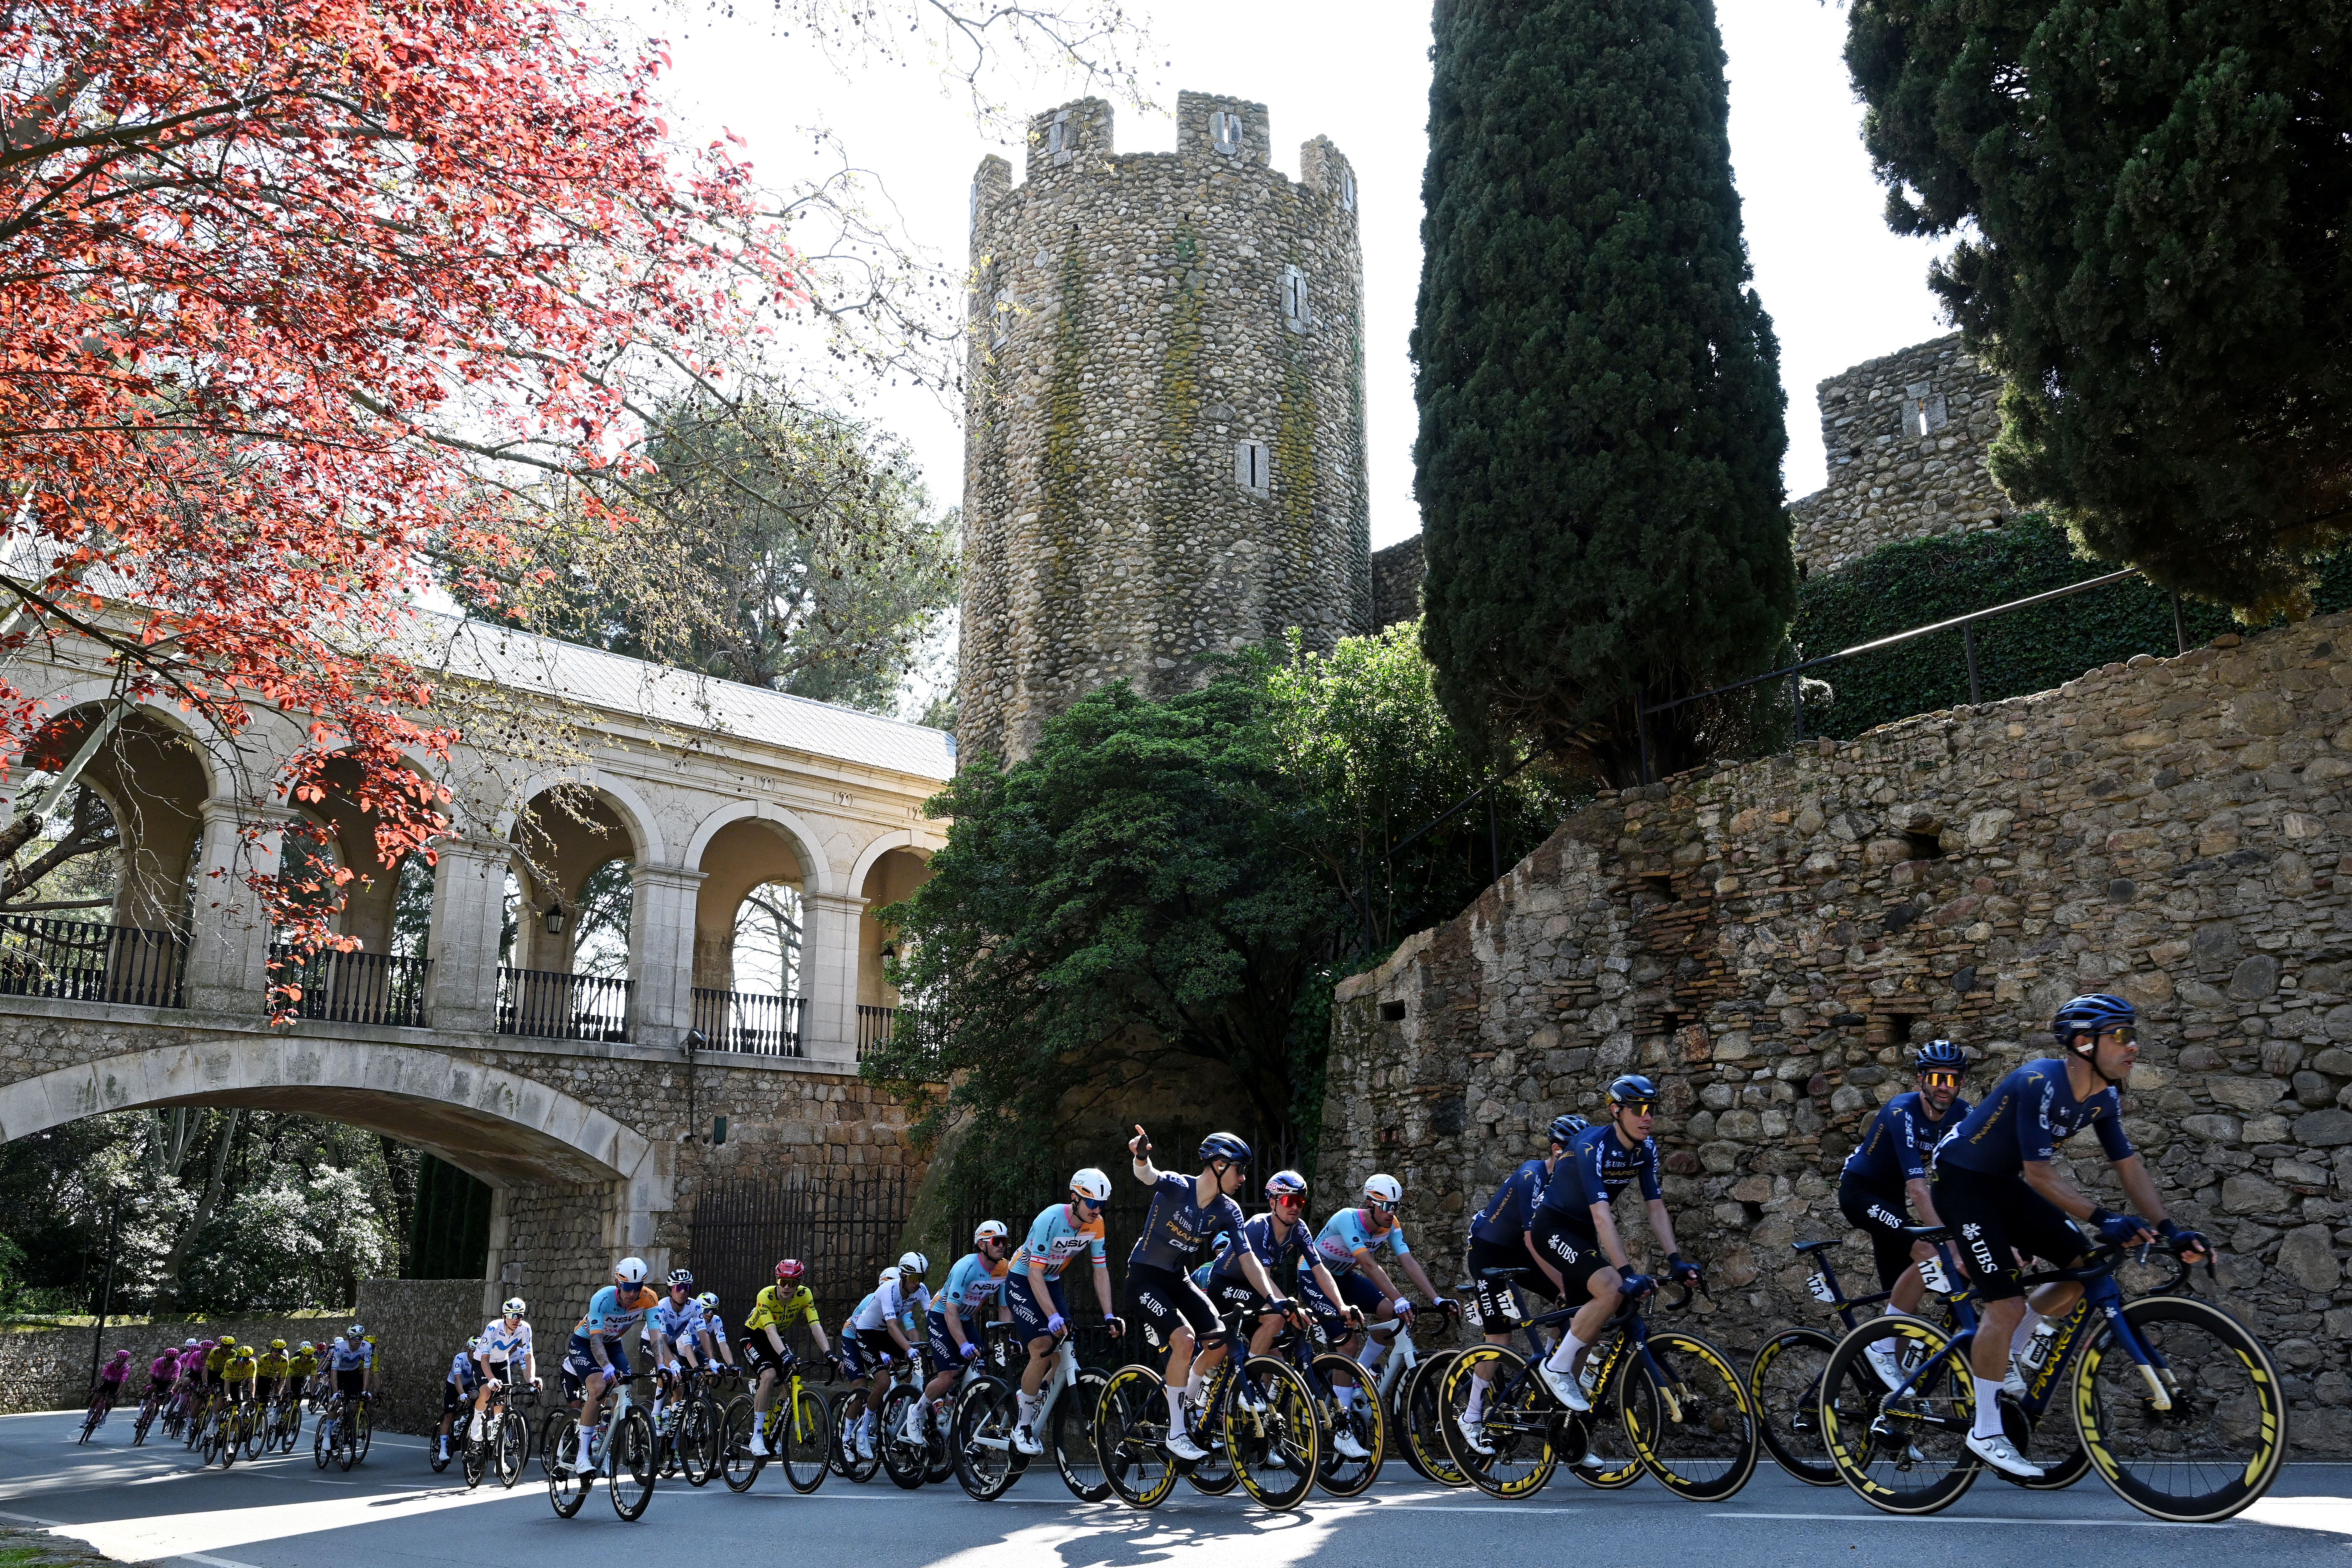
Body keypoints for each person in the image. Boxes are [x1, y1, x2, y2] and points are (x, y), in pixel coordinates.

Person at [1929, 993, 2210, 1478]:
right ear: (2084, 1043)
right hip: (1962, 1182)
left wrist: (2169, 1228)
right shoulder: (2038, 1080)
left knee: (2085, 1269)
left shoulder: (2104, 1096)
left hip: (2004, 1184)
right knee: (2005, 1302)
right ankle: (1987, 1428)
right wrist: (2105, 1216)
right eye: (2120, 1036)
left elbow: (2128, 1165)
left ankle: (2009, 1353)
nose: (2133, 1046)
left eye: (2132, 1034)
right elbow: (2040, 1174)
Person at [1529, 1075, 1703, 1412]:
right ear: (1615, 1111)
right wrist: (1625, 1271)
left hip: (1583, 1235)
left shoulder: (1646, 1150)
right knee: (1612, 1287)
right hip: (1553, 1228)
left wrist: (1676, 1260)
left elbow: (1655, 1208)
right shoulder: (1591, 1146)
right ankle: (1554, 1368)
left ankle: (1566, 1425)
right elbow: (1601, 1215)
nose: (1647, 1117)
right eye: (1638, 1109)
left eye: (1651, 1109)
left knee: (1588, 1331)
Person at [1126, 1126, 1289, 1463]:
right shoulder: (1178, 1187)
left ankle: (1188, 1400)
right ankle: (1175, 1432)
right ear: (1217, 1165)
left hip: (1177, 1279)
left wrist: (1274, 1299)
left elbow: (1248, 1259)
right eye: (1239, 1169)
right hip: (1144, 1278)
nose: (1244, 1177)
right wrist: (1141, 1155)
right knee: (1185, 1340)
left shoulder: (1229, 1210)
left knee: (1223, 1340)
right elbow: (1147, 1175)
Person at [1192, 1168, 1365, 1453]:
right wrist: (1286, 1306)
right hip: (1227, 1285)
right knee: (1274, 1318)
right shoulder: (1259, 1226)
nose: (1295, 1207)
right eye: (1288, 1202)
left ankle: (1263, 1426)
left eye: (1300, 1202)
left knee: (1279, 1351)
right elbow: (1262, 1276)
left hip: (1256, 1291)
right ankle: (1244, 1385)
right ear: (1272, 1202)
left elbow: (1320, 1270)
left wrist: (1341, 1306)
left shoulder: (1299, 1230)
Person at [1841, 1040, 1972, 1388]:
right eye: (1936, 1079)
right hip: (1861, 1193)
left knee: (1900, 1302)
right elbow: (1918, 1188)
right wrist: (1951, 1242)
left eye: (1952, 1079)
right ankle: (1882, 1351)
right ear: (1921, 1080)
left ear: (1961, 1082)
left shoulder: (1964, 1115)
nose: (1944, 1087)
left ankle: (1890, 1394)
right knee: (1930, 1254)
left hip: (1892, 1203)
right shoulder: (1902, 1111)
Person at [1455, 1113, 1586, 1455]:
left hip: (1521, 1250)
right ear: (1557, 1151)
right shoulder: (1532, 1174)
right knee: (1500, 1336)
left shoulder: (1567, 1184)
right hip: (1489, 1252)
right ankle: (1471, 1417)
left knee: (1575, 1314)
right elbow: (1533, 1241)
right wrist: (1563, 1286)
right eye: (1575, 1155)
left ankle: (1549, 1376)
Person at [1303, 1171, 1449, 1429]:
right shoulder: (1347, 1219)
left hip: (1344, 1278)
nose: (1391, 1212)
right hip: (1314, 1278)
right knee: (1348, 1344)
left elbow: (1407, 1260)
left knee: (1393, 1317)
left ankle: (1358, 1372)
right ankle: (1342, 1426)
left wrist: (1437, 1299)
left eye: (1395, 1207)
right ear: (1370, 1204)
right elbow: (1370, 1267)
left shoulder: (1391, 1225)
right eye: (1385, 1206)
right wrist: (1400, 1297)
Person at [1007, 1168, 1122, 1457]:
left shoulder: (1096, 1225)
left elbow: (1100, 1271)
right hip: (1023, 1279)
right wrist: (1052, 1315)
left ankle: (1030, 1394)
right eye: (1092, 1204)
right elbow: (1034, 1274)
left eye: (1102, 1205)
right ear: (1075, 1198)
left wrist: (1109, 1314)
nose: (1098, 1210)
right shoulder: (1050, 1219)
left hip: (1052, 1281)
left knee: (1066, 1349)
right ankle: (1022, 1426)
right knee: (1044, 1345)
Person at [918, 1222, 1012, 1444]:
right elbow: (951, 1311)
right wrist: (962, 1344)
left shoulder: (1005, 1269)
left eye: (1005, 1242)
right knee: (949, 1375)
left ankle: (954, 1405)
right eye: (996, 1242)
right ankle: (917, 1412)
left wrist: (1006, 1339)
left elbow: (1004, 1308)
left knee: (979, 1374)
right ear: (982, 1245)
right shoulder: (965, 1267)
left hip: (965, 1319)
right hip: (941, 1317)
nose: (1002, 1246)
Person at [564, 1256, 658, 1477]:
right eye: (628, 1287)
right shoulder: (602, 1299)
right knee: (598, 1387)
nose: (632, 1293)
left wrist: (664, 1365)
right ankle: (582, 1457)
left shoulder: (649, 1299)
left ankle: (603, 1438)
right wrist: (606, 1367)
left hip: (613, 1344)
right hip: (586, 1343)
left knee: (625, 1391)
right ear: (618, 1283)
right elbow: (596, 1341)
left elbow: (656, 1338)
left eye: (638, 1288)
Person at [741, 1258, 830, 1459]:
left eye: (793, 1283)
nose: (787, 1287)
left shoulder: (804, 1295)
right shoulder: (766, 1296)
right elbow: (770, 1331)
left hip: (777, 1338)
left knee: (790, 1381)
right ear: (777, 1281)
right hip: (755, 1336)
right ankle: (756, 1437)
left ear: (799, 1284)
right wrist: (785, 1356)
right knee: (770, 1375)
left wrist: (829, 1354)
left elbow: (815, 1325)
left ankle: (772, 1427)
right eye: (783, 1282)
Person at [845, 1254, 931, 1459]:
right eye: (913, 1278)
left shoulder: (919, 1291)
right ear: (902, 1276)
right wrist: (908, 1350)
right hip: (865, 1333)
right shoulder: (887, 1290)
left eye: (921, 1278)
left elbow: (930, 1319)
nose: (917, 1283)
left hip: (883, 1334)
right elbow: (893, 1327)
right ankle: (861, 1432)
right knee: (881, 1382)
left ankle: (898, 1408)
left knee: (918, 1361)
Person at [471, 1298, 536, 1443]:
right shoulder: (493, 1328)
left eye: (519, 1316)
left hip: (502, 1362)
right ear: (504, 1316)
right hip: (482, 1363)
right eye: (512, 1315)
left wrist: (532, 1378)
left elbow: (529, 1356)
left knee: (503, 1398)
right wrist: (491, 1379)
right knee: (487, 1393)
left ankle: (495, 1431)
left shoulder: (525, 1329)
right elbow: (484, 1360)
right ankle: (476, 1422)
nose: (516, 1319)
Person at [437, 1337, 480, 1461]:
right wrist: (461, 1394)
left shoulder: (481, 1360)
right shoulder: (460, 1358)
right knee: (449, 1416)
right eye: (474, 1351)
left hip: (470, 1384)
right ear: (469, 1350)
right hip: (453, 1385)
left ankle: (463, 1421)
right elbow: (457, 1379)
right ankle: (443, 1449)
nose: (477, 1354)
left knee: (475, 1397)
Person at [692, 1292, 738, 1373]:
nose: (710, 1315)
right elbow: (687, 1347)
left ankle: (705, 1386)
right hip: (681, 1353)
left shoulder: (716, 1320)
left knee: (712, 1372)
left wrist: (731, 1366)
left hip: (695, 1353)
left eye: (713, 1311)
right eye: (707, 1311)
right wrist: (696, 1367)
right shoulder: (691, 1320)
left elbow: (723, 1344)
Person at [254, 1340, 291, 1410]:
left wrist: (279, 1393)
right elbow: (256, 1376)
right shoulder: (264, 1358)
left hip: (268, 1381)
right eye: (275, 1350)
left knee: (264, 1406)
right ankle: (243, 1414)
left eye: (280, 1351)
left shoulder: (284, 1361)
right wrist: (254, 1391)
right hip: (259, 1379)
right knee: (254, 1402)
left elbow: (283, 1379)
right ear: (272, 1349)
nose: (277, 1353)